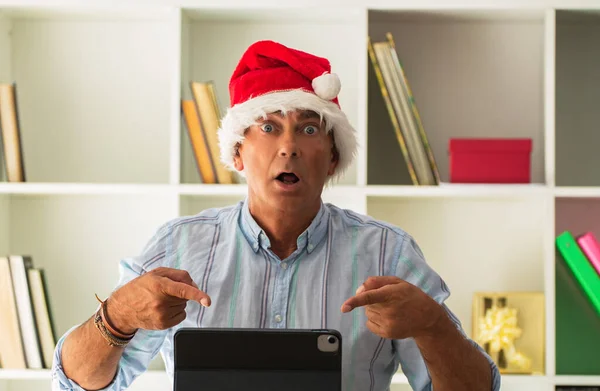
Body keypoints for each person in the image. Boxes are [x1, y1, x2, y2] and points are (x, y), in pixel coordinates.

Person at [51, 40, 500, 391]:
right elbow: (76, 382)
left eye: (308, 129)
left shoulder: (388, 253)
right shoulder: (178, 246)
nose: (288, 146)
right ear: (239, 152)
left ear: (331, 158)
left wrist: (433, 327)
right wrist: (116, 317)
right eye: (268, 127)